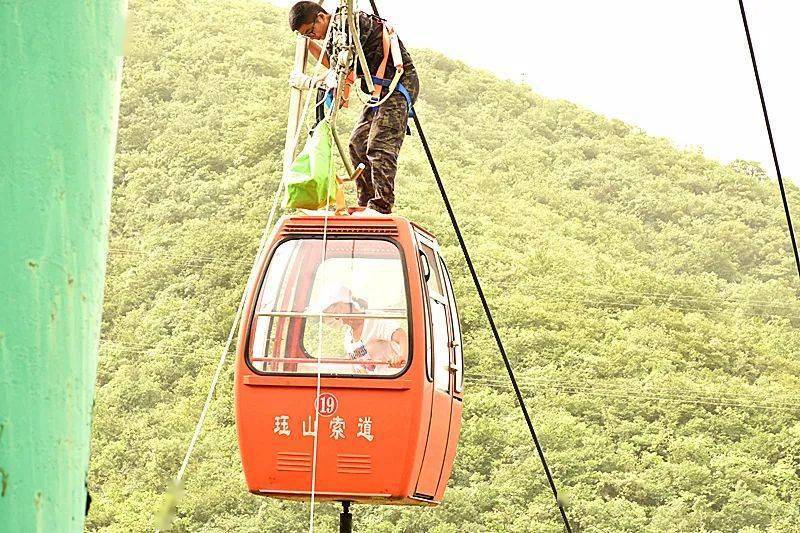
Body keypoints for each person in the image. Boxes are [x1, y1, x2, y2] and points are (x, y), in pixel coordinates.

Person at [288, 1, 419, 215]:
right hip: (381, 91)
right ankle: (366, 201)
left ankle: (381, 205)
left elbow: (343, 70)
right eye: (309, 34)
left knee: (379, 144)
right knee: (357, 144)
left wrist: (309, 82)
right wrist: (306, 42)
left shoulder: (349, 24)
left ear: (321, 17)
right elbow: (332, 62)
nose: (315, 36)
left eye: (312, 30)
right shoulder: (335, 38)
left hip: (397, 85)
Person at [312, 286, 408, 373]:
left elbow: (401, 335)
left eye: (333, 311)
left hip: (391, 379)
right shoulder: (348, 338)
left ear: (344, 304)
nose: (333, 317)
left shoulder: (375, 320)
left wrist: (401, 357)